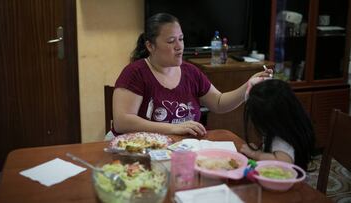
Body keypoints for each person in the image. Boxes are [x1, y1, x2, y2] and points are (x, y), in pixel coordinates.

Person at [112, 13, 272, 137]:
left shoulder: (191, 72)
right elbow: (122, 122)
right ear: (150, 46)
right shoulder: (135, 73)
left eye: (181, 39)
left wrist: (248, 86)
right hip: (143, 152)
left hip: (182, 150)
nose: (179, 46)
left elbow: (218, 102)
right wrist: (174, 128)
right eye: (171, 41)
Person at [240, 79, 315, 170]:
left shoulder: (282, 139)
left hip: (289, 180)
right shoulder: (287, 122)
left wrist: (255, 154)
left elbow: (283, 163)